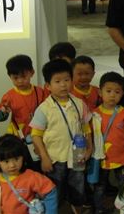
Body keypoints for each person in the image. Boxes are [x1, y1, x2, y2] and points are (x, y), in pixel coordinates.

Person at [29, 59, 92, 213]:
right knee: (54, 189)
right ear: (48, 86)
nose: (63, 85)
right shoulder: (44, 109)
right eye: (57, 81)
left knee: (78, 185)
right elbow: (36, 135)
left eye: (66, 80)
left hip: (77, 154)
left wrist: (89, 148)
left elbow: (86, 126)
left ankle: (77, 207)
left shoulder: (79, 103)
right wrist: (44, 157)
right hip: (55, 157)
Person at [91, 72, 124, 214]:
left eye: (117, 92)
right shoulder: (94, 114)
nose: (112, 95)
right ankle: (99, 209)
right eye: (108, 91)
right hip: (101, 159)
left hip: (121, 159)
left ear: (122, 94)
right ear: (100, 92)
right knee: (99, 187)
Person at [0, 55, 49, 170]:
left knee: (38, 165)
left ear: (32, 73)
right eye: (15, 78)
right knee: (22, 165)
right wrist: (3, 112)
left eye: (23, 76)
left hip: (39, 136)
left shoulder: (40, 92)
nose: (20, 81)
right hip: (18, 138)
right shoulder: (9, 96)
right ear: (10, 77)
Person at [0, 134, 58, 214]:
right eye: (6, 161)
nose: (12, 165)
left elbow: (50, 190)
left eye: (16, 159)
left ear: (23, 157)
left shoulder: (30, 177)